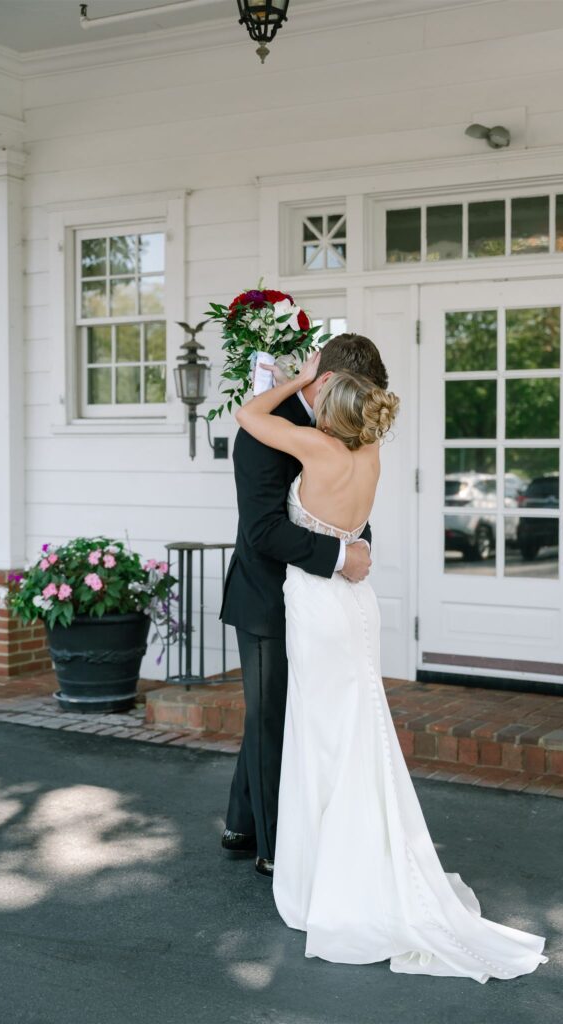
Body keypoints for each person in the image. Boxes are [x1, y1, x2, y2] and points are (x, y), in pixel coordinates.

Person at [233, 351, 550, 981]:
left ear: (328, 404)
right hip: (358, 602)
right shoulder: (369, 454)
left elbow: (246, 414)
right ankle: (360, 854)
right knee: (359, 728)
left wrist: (293, 379)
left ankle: (328, 868)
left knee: (323, 735)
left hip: (320, 605)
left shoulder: (314, 449)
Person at [219, 334, 388, 877]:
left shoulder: (335, 424)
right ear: (326, 380)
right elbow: (264, 530)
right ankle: (273, 848)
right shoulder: (269, 433)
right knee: (271, 718)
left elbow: (346, 509)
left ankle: (242, 822)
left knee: (281, 717)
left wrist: (355, 545)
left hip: (322, 596)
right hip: (267, 597)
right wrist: (343, 556)